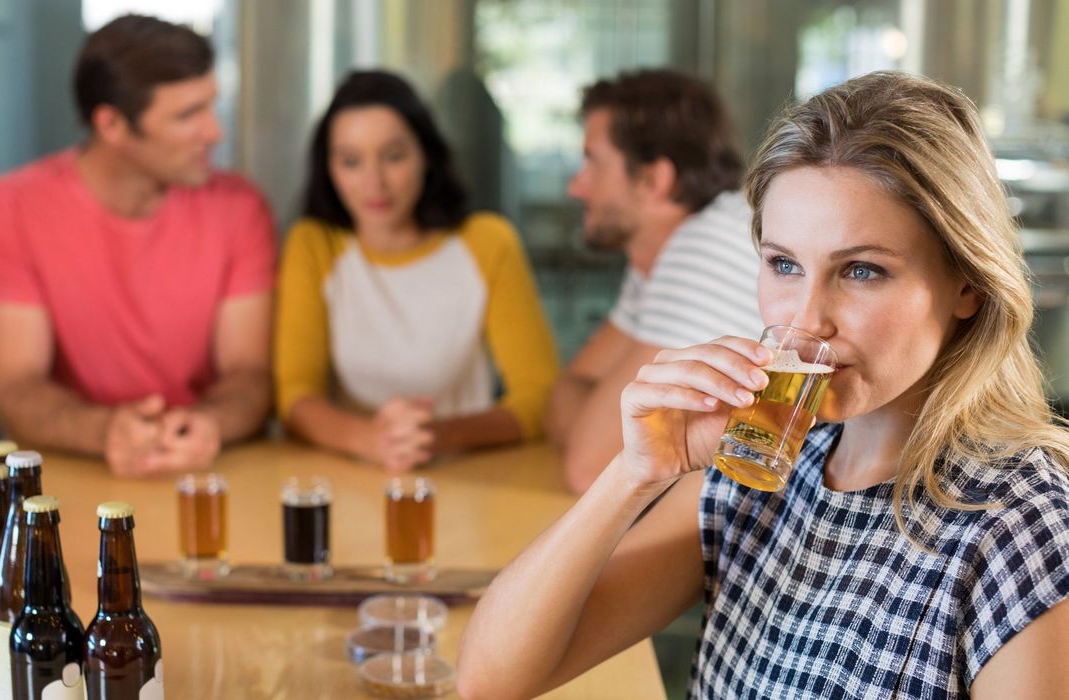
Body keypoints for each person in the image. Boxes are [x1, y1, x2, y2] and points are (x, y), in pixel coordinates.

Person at [458, 72, 1069, 699]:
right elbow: (492, 679)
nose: (805, 319)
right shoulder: (760, 466)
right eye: (784, 264)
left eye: (862, 270)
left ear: (966, 283)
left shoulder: (1019, 527)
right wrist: (635, 474)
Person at [0, 15, 276, 477]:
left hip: (210, 475)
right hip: (70, 480)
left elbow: (249, 373)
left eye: (212, 106)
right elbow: (15, 388)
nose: (215, 132)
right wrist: (107, 431)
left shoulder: (239, 206)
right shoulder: (9, 209)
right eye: (188, 115)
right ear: (111, 124)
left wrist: (208, 424)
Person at [274, 70, 559, 473]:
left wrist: (435, 436)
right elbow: (296, 396)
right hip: (353, 477)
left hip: (470, 478)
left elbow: (539, 397)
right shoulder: (313, 245)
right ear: (329, 169)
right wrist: (372, 441)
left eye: (393, 156)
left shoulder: (488, 242)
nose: (374, 182)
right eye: (351, 161)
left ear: (425, 155)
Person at [547, 69, 763, 494]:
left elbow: (590, 472)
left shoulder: (705, 248)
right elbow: (569, 389)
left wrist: (600, 434)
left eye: (592, 161)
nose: (576, 186)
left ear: (653, 180)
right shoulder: (659, 254)